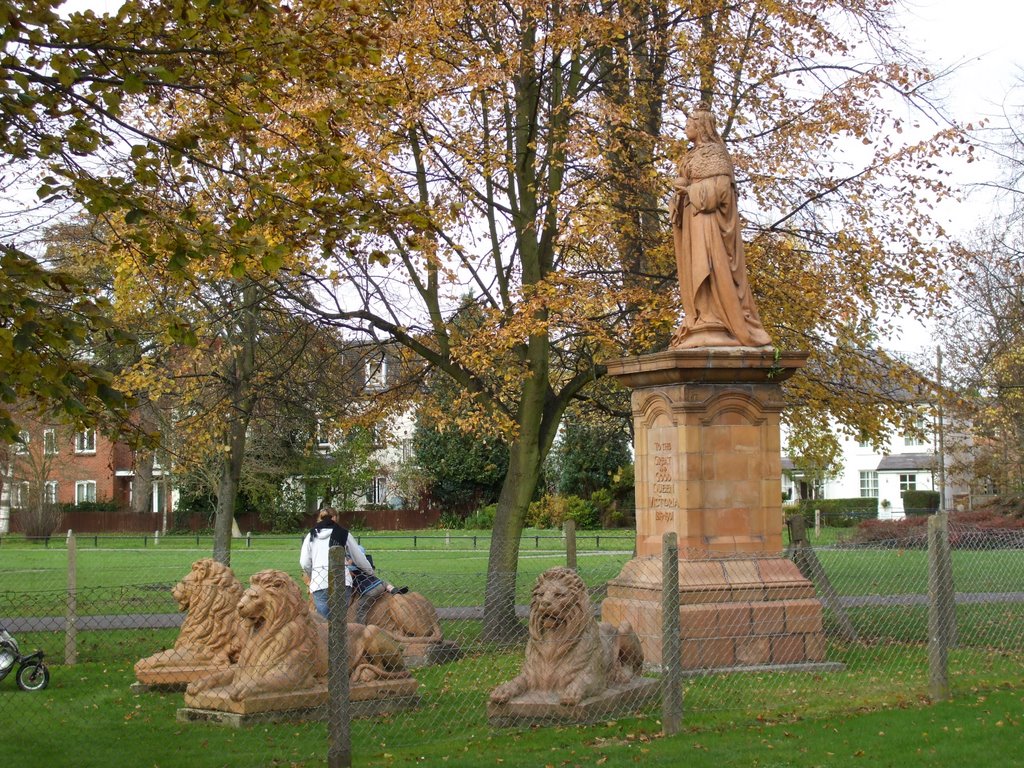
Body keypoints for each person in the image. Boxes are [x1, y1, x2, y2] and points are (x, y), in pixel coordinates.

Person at [669, 105, 772, 350]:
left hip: (709, 223)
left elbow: (720, 191)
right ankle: (702, 316)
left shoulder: (715, 153)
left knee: (711, 267)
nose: (686, 127)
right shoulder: (691, 156)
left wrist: (691, 190)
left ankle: (715, 317)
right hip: (692, 219)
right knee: (694, 269)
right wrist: (678, 197)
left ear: (700, 126)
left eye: (689, 123)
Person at [299, 507, 375, 619]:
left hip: (319, 583)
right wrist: (370, 571)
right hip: (341, 582)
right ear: (335, 518)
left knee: (324, 622)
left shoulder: (311, 535)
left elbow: (304, 562)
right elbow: (358, 557)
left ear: (320, 518)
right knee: (339, 621)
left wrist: (313, 576)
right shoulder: (344, 533)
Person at [347, 544, 409, 625]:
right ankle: (393, 590)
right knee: (384, 582)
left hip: (369, 591)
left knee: (361, 608)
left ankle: (360, 626)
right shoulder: (366, 566)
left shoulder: (351, 569)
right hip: (379, 585)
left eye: (348, 558)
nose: (347, 560)